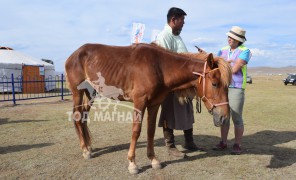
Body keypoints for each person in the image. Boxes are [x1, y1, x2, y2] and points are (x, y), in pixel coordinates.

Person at [155, 7, 203, 159]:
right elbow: (164, 63)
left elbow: (184, 59)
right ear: (173, 20)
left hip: (184, 84)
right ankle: (170, 146)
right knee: (169, 114)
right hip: (171, 85)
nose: (183, 24)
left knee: (187, 112)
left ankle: (189, 142)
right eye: (182, 21)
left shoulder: (177, 37)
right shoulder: (164, 36)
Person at [213, 26, 251, 155]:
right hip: (223, 87)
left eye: (232, 37)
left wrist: (225, 64)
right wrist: (226, 62)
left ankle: (237, 144)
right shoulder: (222, 50)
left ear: (238, 39)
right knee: (224, 116)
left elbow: (235, 69)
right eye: (229, 36)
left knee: (236, 117)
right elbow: (214, 65)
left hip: (236, 87)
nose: (229, 39)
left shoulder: (245, 51)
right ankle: (223, 142)